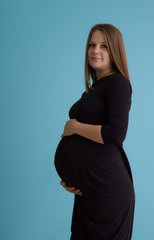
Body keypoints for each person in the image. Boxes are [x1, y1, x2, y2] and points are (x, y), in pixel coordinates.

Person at [54, 23, 135, 240]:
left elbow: (116, 134)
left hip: (108, 191)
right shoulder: (94, 89)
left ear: (115, 51)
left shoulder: (118, 83)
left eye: (104, 46)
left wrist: (75, 127)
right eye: (92, 44)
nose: (95, 50)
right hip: (91, 190)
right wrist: (73, 179)